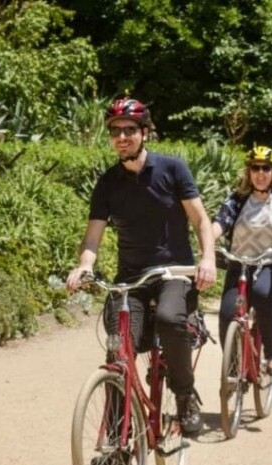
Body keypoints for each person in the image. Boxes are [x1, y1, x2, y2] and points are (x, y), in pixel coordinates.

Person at [66, 96, 216, 436]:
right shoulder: (107, 183)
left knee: (168, 319)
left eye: (129, 130)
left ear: (144, 132)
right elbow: (92, 240)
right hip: (130, 279)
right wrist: (84, 266)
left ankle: (184, 395)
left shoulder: (172, 169)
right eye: (115, 131)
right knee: (118, 349)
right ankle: (119, 436)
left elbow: (201, 220)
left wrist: (207, 259)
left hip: (173, 273)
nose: (121, 137)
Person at [212, 145, 272, 377]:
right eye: (255, 168)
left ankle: (271, 356)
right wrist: (208, 239)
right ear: (248, 172)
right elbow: (221, 221)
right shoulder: (238, 198)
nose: (260, 173)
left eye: (266, 168)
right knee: (227, 314)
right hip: (241, 263)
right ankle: (233, 367)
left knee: (263, 295)